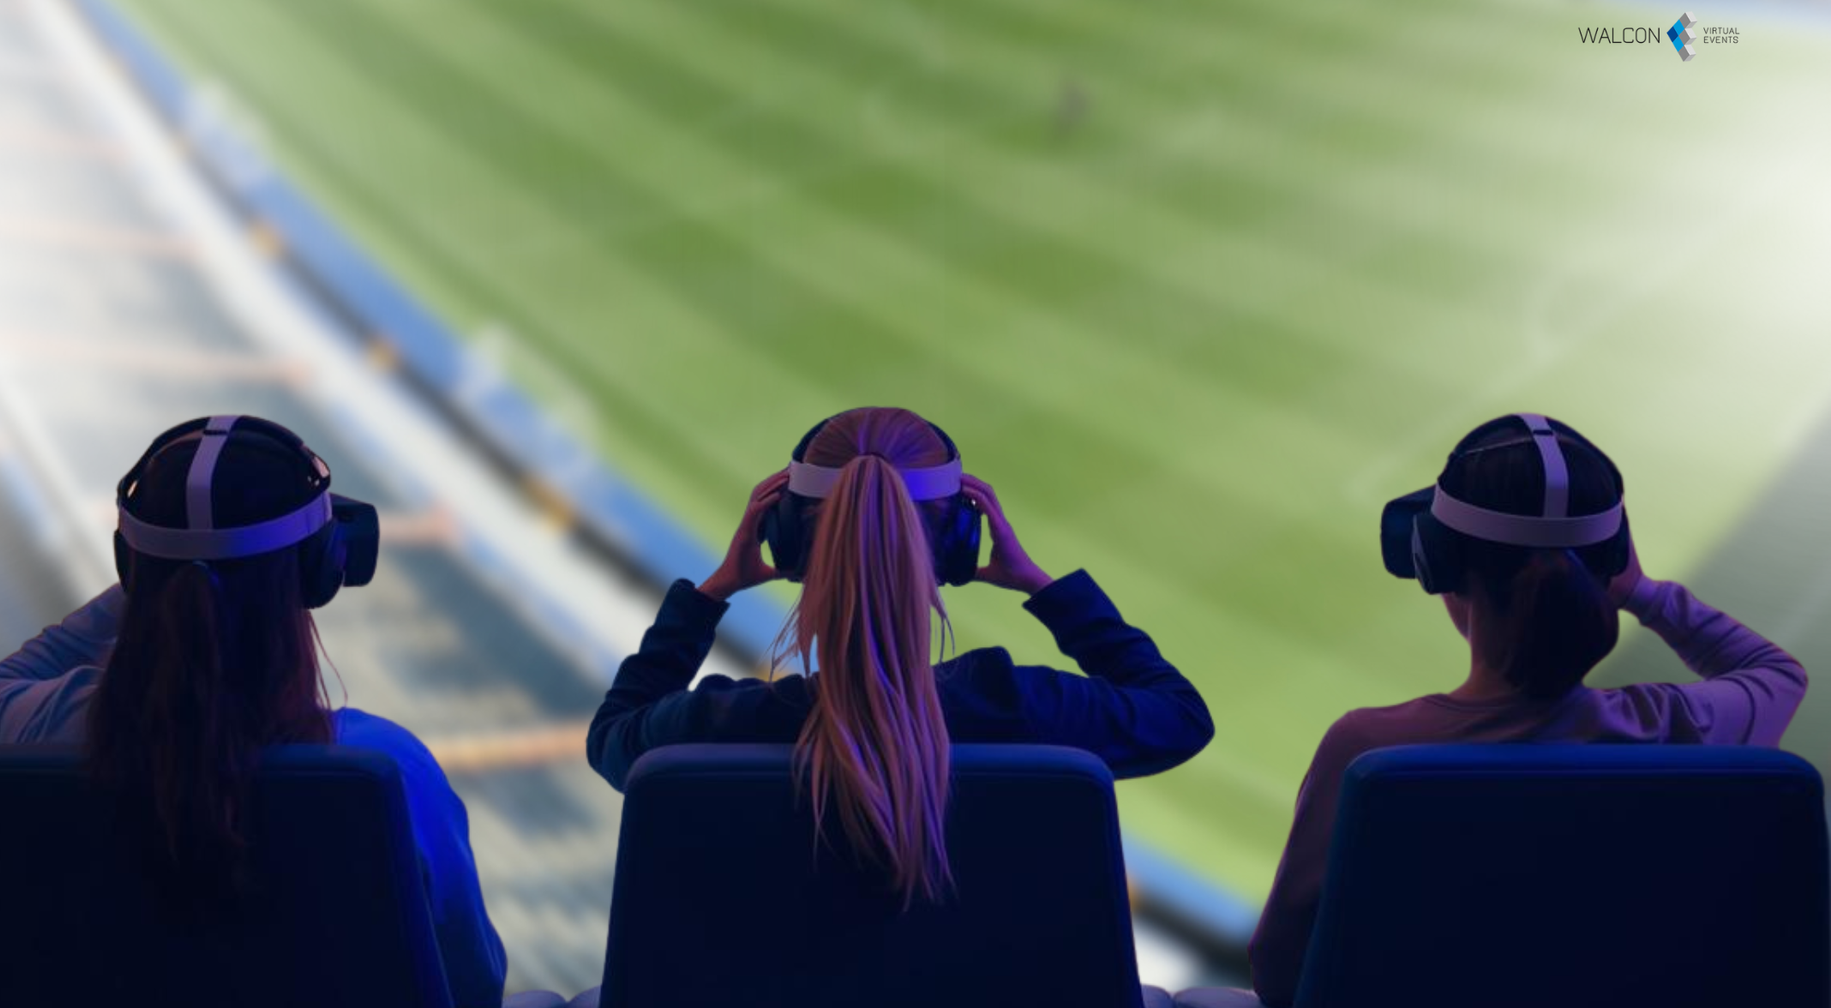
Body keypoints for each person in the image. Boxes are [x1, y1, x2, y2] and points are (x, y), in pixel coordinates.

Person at [1246, 414, 1809, 1008]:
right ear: (1609, 569)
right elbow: (1778, 675)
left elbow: (1280, 970)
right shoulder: (1678, 729)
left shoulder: (1368, 748)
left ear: (1438, 564)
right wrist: (1643, 592)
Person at [0, 416, 510, 1008]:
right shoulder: (385, 768)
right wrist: (206, 565)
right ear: (319, 571)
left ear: (128, 563)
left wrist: (168, 575)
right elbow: (472, 988)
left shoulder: (47, 728)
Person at [587, 406, 1215, 906]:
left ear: (785, 546)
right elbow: (1181, 716)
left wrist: (711, 592)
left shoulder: (720, 727)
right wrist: (1042, 587)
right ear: (959, 546)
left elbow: (611, 736)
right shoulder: (1026, 708)